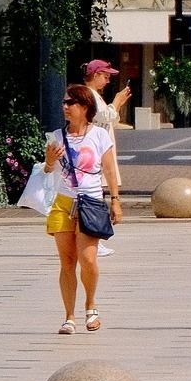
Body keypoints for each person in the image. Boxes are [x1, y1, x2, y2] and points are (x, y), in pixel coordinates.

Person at [44, 83, 123, 336]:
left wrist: (115, 199)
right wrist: (49, 161)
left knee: (88, 259)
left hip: (90, 201)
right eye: (64, 103)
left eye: (71, 103)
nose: (65, 107)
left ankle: (91, 305)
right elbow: (48, 172)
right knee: (67, 262)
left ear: (85, 106)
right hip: (63, 202)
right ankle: (69, 316)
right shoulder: (56, 136)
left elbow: (110, 170)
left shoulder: (99, 135)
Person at [82, 58, 131, 258]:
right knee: (93, 197)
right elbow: (103, 117)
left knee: (95, 195)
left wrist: (115, 106)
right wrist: (117, 103)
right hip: (95, 152)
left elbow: (109, 117)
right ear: (95, 75)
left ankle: (94, 238)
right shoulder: (88, 95)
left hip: (100, 150)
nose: (108, 80)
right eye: (105, 76)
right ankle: (93, 239)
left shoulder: (95, 96)